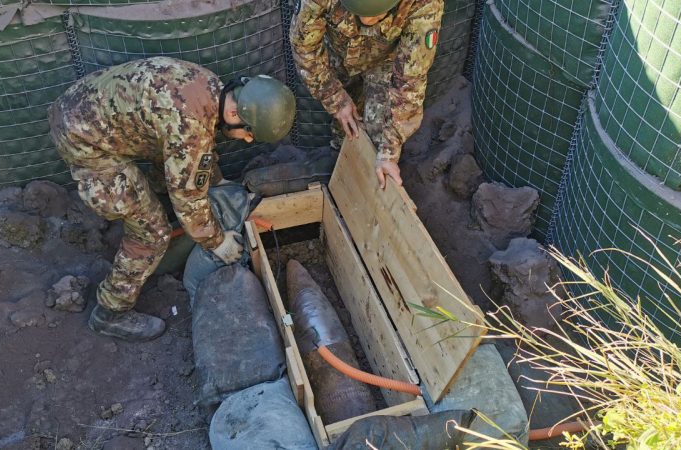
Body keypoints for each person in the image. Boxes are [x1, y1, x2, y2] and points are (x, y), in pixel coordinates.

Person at [48, 57, 296, 342]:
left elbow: (191, 152)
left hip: (81, 106)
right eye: (249, 132)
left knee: (168, 177)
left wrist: (214, 180)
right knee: (152, 234)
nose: (248, 140)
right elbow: (188, 197)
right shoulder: (190, 125)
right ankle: (110, 312)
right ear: (232, 112)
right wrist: (217, 241)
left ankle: (151, 207)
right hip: (84, 141)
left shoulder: (208, 87)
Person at [290, 0, 444, 189]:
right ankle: (340, 163)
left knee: (376, 138)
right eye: (360, 12)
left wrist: (389, 151)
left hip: (387, 61)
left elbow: (410, 82)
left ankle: (369, 192)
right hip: (338, 54)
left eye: (377, 15)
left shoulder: (424, 4)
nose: (368, 20)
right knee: (346, 127)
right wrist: (335, 98)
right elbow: (304, 48)